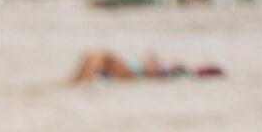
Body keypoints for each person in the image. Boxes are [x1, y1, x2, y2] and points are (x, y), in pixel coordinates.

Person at [69, 50, 225, 83]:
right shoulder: (181, 70)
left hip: (133, 71)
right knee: (89, 55)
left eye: (205, 68)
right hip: (132, 66)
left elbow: (157, 74)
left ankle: (88, 79)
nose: (201, 66)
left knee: (103, 55)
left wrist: (156, 64)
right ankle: (79, 79)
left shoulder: (182, 73)